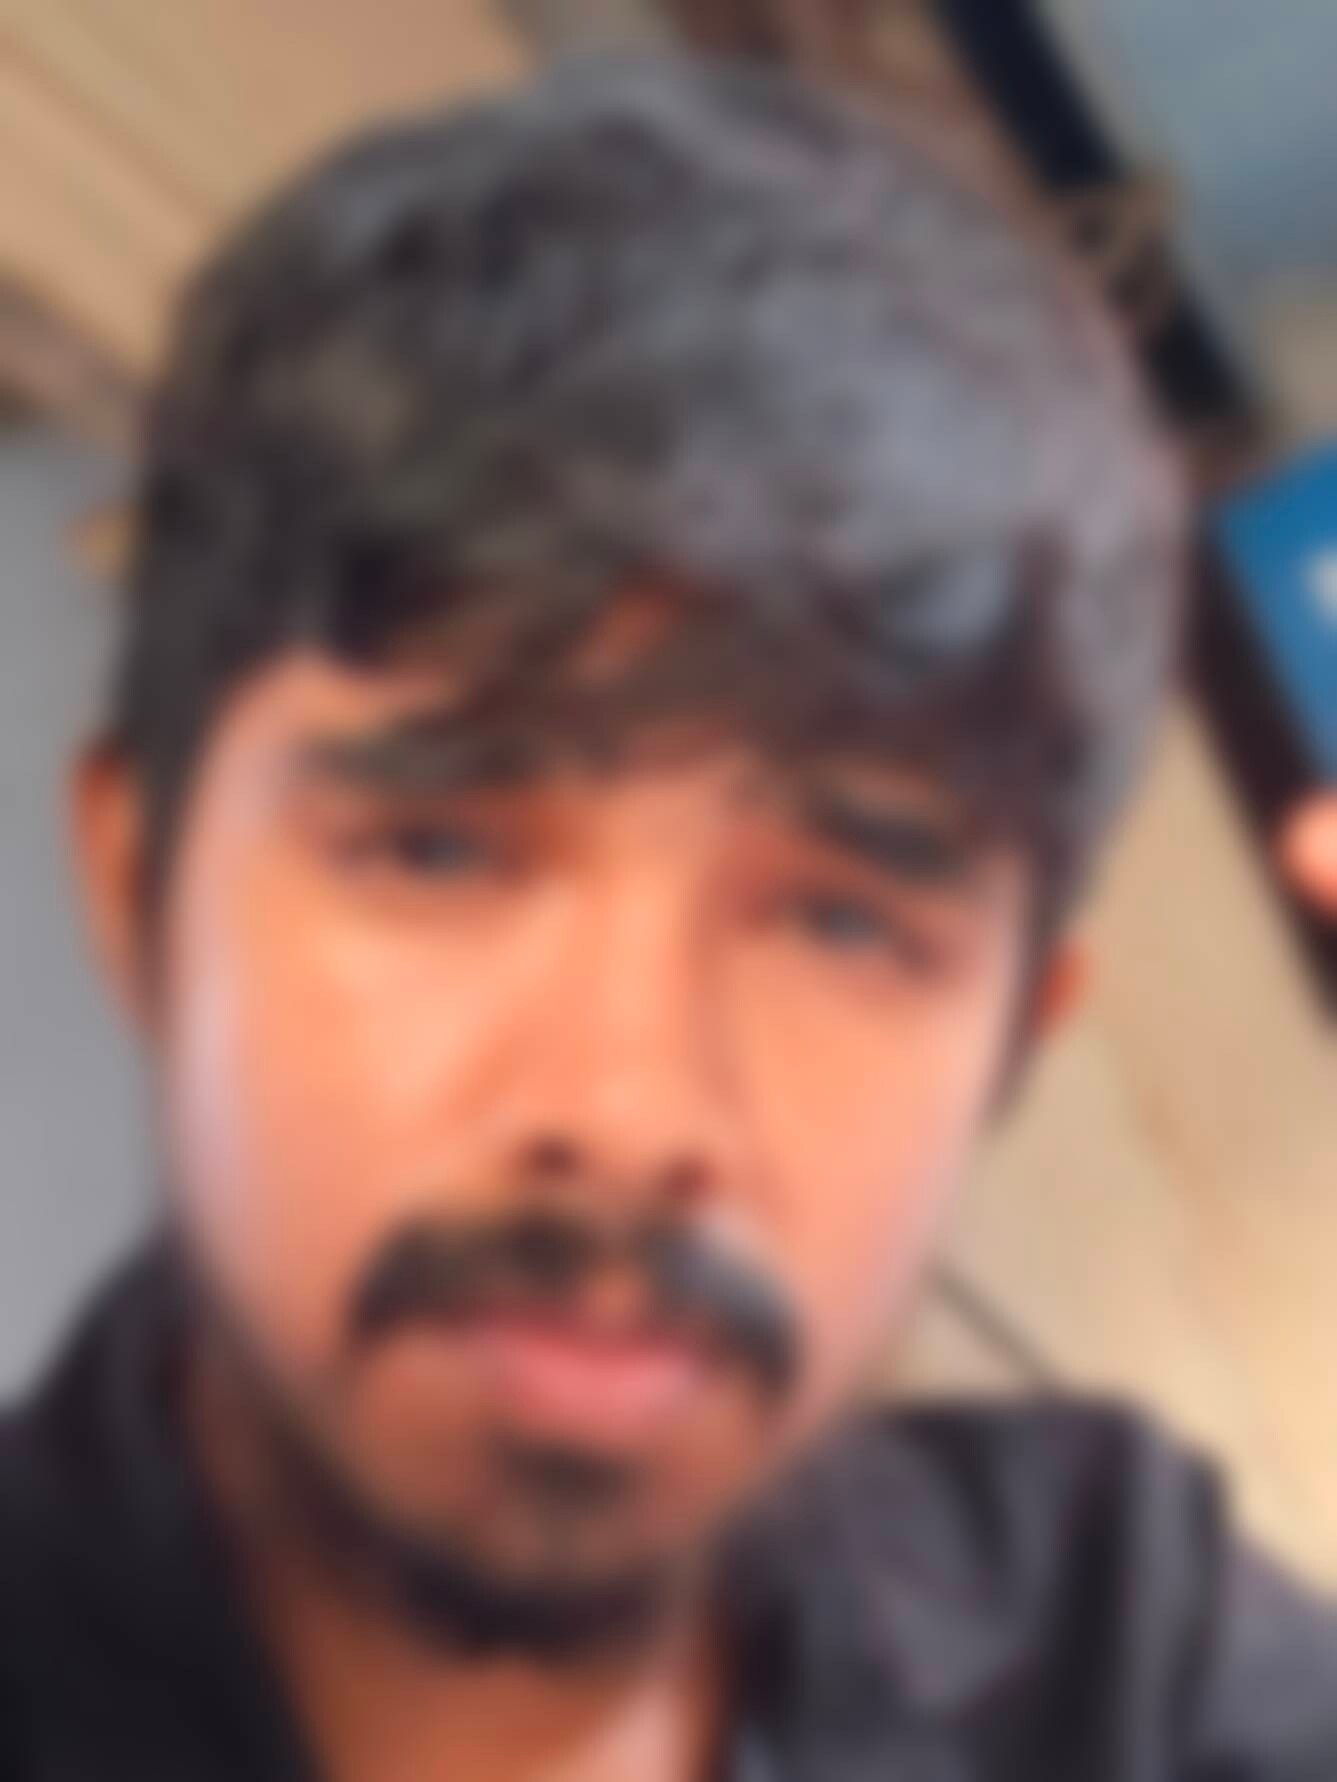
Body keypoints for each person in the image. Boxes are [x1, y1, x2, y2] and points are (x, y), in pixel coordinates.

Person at [2, 53, 1334, 1782]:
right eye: (437, 848)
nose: (629, 1110)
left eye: (844, 923)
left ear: (1012, 1041)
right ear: (140, 886)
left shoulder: (1118, 1642)